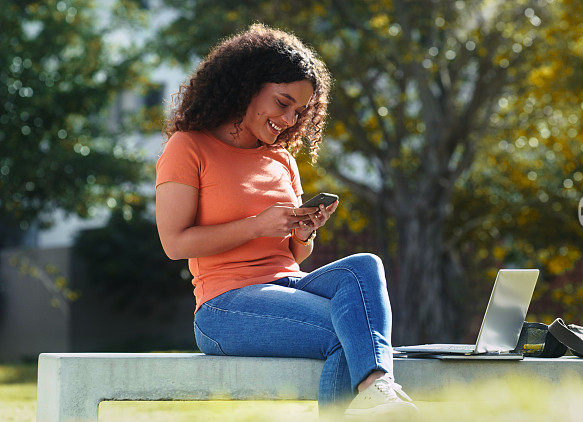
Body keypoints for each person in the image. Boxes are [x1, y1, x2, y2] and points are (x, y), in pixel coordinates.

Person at [154, 23, 418, 418]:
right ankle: (377, 392)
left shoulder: (281, 159)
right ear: (247, 86)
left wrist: (303, 232)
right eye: (283, 103)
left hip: (288, 285)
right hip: (224, 306)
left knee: (364, 267)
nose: (291, 120)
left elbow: (295, 254)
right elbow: (175, 243)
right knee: (349, 333)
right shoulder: (188, 147)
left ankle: (376, 389)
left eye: (300, 112)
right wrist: (257, 225)